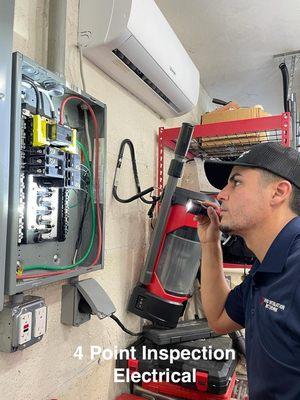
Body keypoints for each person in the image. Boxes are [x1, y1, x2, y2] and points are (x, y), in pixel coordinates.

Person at [195, 142, 300, 400]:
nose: (221, 194)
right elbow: (219, 318)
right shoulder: (267, 264)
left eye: (236, 182)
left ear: (278, 192)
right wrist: (210, 244)